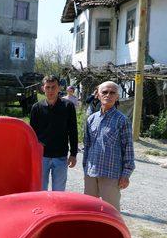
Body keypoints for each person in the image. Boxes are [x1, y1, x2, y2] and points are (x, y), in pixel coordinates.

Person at [82, 81, 135, 211]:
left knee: (111, 211)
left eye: (112, 93)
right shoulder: (91, 119)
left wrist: (126, 174)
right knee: (89, 210)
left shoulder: (122, 120)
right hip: (91, 172)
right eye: (104, 92)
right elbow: (87, 145)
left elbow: (128, 148)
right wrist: (85, 168)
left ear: (117, 96)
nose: (108, 95)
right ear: (98, 95)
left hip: (111, 173)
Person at [30, 75, 78, 191]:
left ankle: (57, 210)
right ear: (43, 88)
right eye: (48, 87)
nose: (50, 90)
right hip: (42, 156)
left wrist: (73, 154)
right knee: (40, 190)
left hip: (60, 156)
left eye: (53, 87)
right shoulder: (36, 108)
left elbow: (73, 131)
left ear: (59, 88)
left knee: (59, 191)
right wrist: (32, 155)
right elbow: (32, 134)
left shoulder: (68, 106)